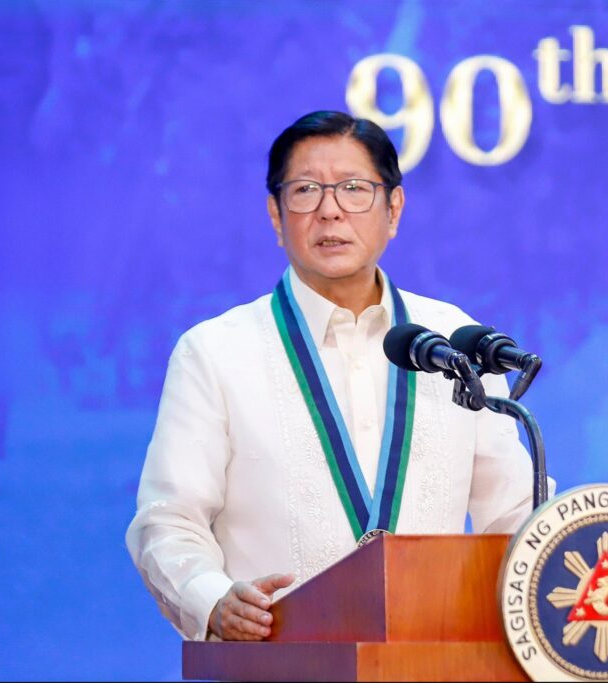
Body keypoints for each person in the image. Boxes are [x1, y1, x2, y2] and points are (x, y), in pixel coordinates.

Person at [126, 111, 547, 642]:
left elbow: (512, 514)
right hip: (276, 657)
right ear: (276, 215)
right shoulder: (216, 352)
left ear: (394, 209)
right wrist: (212, 600)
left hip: (431, 657)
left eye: (354, 188)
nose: (330, 210)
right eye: (306, 190)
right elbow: (169, 518)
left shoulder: (452, 343)